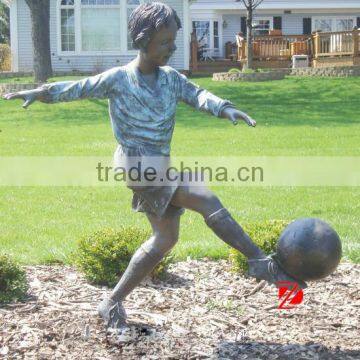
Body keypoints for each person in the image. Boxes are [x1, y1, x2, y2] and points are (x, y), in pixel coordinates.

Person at [2, 2, 306, 331]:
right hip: (135, 164)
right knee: (206, 198)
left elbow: (198, 94)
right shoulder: (119, 79)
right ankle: (261, 263)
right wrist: (41, 92)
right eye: (164, 42)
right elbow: (78, 87)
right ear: (142, 39)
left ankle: (111, 302)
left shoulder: (172, 80)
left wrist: (224, 108)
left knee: (164, 240)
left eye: (173, 41)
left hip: (158, 165)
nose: (171, 48)